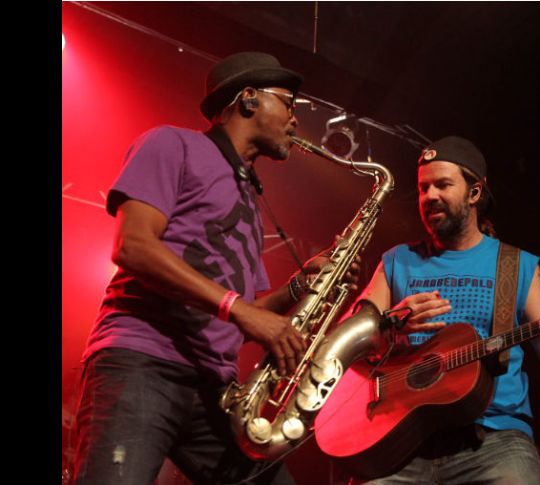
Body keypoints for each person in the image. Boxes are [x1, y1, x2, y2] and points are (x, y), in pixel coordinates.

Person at [72, 52, 357, 485]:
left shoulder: (247, 195)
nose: (295, 120)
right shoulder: (172, 143)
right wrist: (242, 311)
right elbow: (133, 246)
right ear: (248, 99)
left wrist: (302, 286)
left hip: (216, 390)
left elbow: (248, 311)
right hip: (141, 362)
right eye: (288, 103)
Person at [352, 136, 540, 484]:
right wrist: (390, 324)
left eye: (443, 185)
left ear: (475, 193)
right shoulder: (397, 261)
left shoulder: (516, 265)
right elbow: (349, 338)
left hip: (494, 440)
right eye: (423, 187)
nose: (429, 196)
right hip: (402, 440)